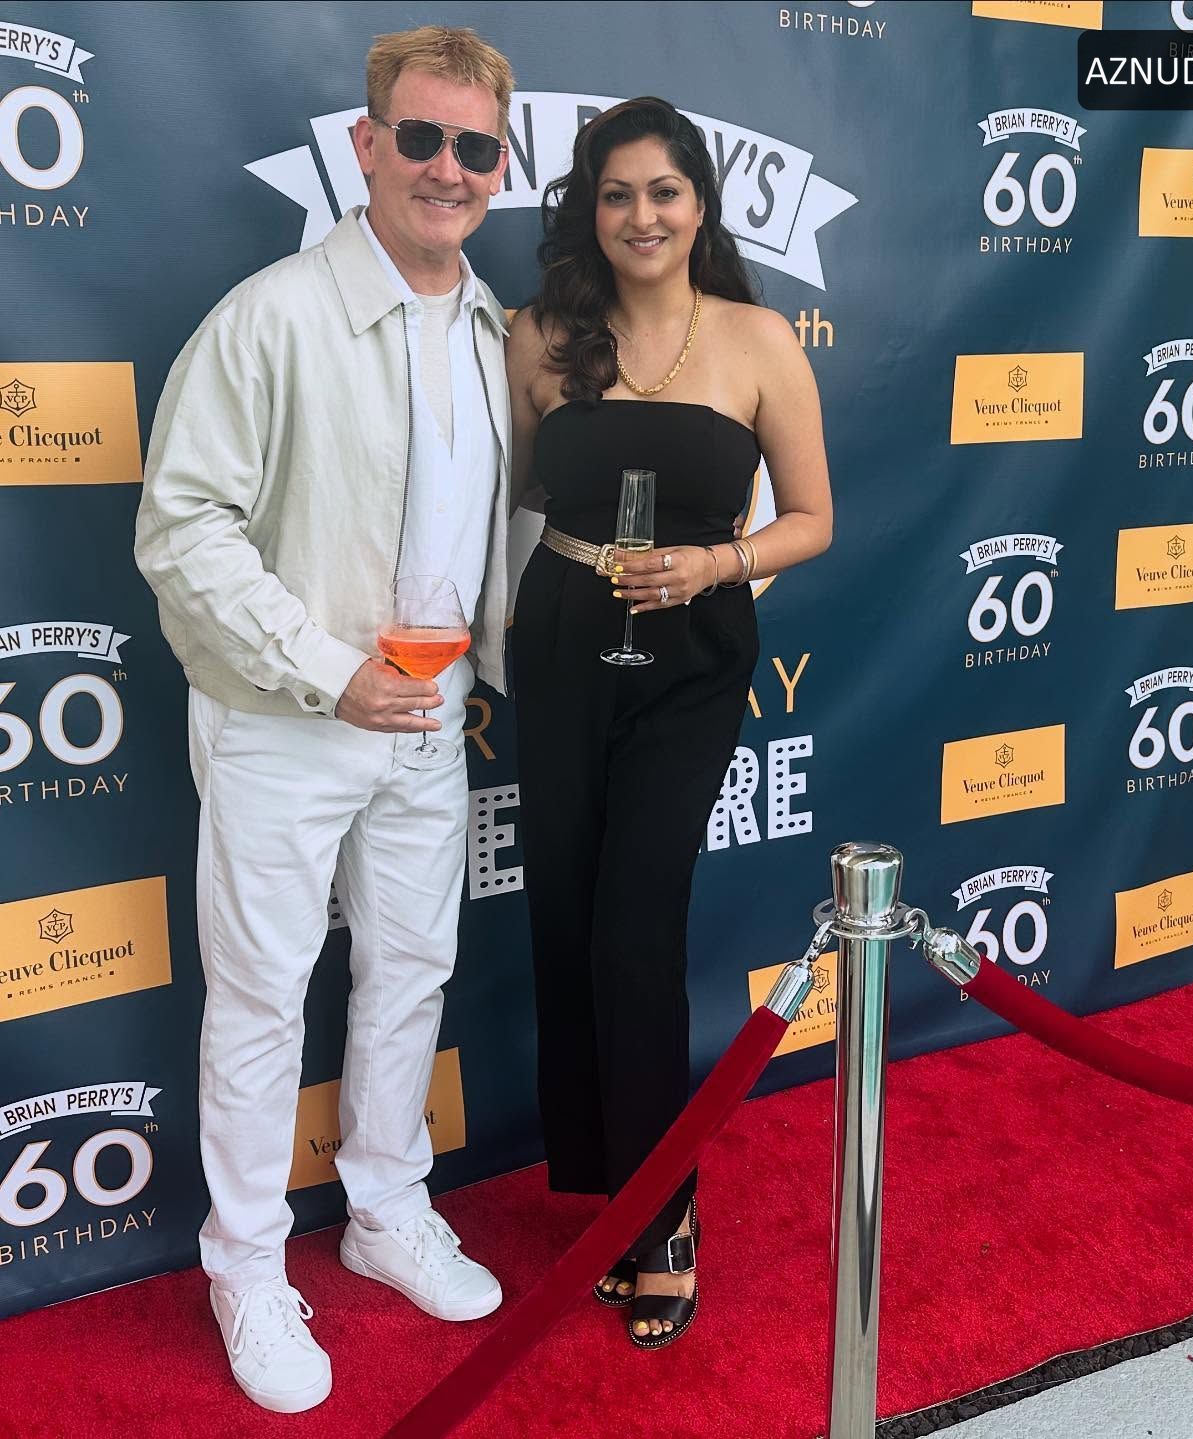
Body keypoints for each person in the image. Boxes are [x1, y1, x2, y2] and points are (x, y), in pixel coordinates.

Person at [134, 25, 516, 1414]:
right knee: (260, 993)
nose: (446, 168)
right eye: (420, 138)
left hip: (433, 713)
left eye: (475, 147)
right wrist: (320, 666)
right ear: (366, 145)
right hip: (285, 718)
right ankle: (245, 1261)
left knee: (411, 966)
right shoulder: (272, 316)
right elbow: (181, 527)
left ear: (500, 166)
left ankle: (385, 1207)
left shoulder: (498, 330)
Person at [504, 96, 833, 1348]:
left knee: (637, 926)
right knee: (566, 916)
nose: (641, 215)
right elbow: (513, 494)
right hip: (562, 644)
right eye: (616, 193)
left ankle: (664, 1214)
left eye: (664, 191)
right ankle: (605, 1191)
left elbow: (813, 517)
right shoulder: (542, 336)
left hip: (693, 658)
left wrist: (714, 564)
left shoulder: (758, 338)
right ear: (589, 209)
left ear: (699, 204)